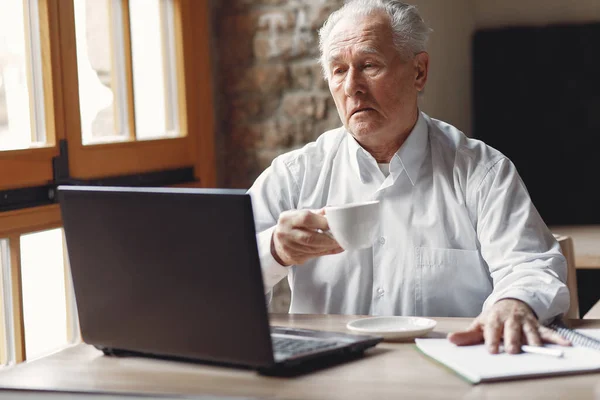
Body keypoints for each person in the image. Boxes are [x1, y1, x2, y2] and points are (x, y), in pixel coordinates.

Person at [247, 0, 570, 354]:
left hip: (449, 375)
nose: (352, 86)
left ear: (419, 72)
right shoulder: (293, 176)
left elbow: (530, 264)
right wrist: (275, 251)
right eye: (338, 71)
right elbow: (216, 276)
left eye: (369, 65)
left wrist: (514, 303)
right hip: (326, 378)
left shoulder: (482, 172)